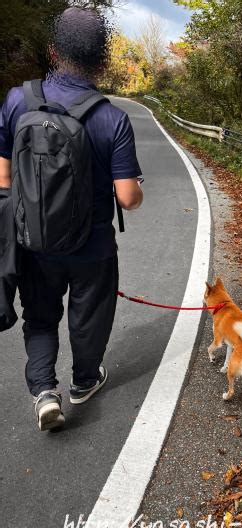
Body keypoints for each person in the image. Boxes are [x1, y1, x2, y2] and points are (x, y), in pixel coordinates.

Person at [0, 7, 143, 431]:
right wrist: (137, 185)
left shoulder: (16, 100)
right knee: (89, 316)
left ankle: (45, 391)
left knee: (40, 316)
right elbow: (128, 198)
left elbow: (4, 179)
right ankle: (84, 381)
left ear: (52, 50)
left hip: (33, 241)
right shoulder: (113, 119)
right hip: (92, 247)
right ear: (101, 60)